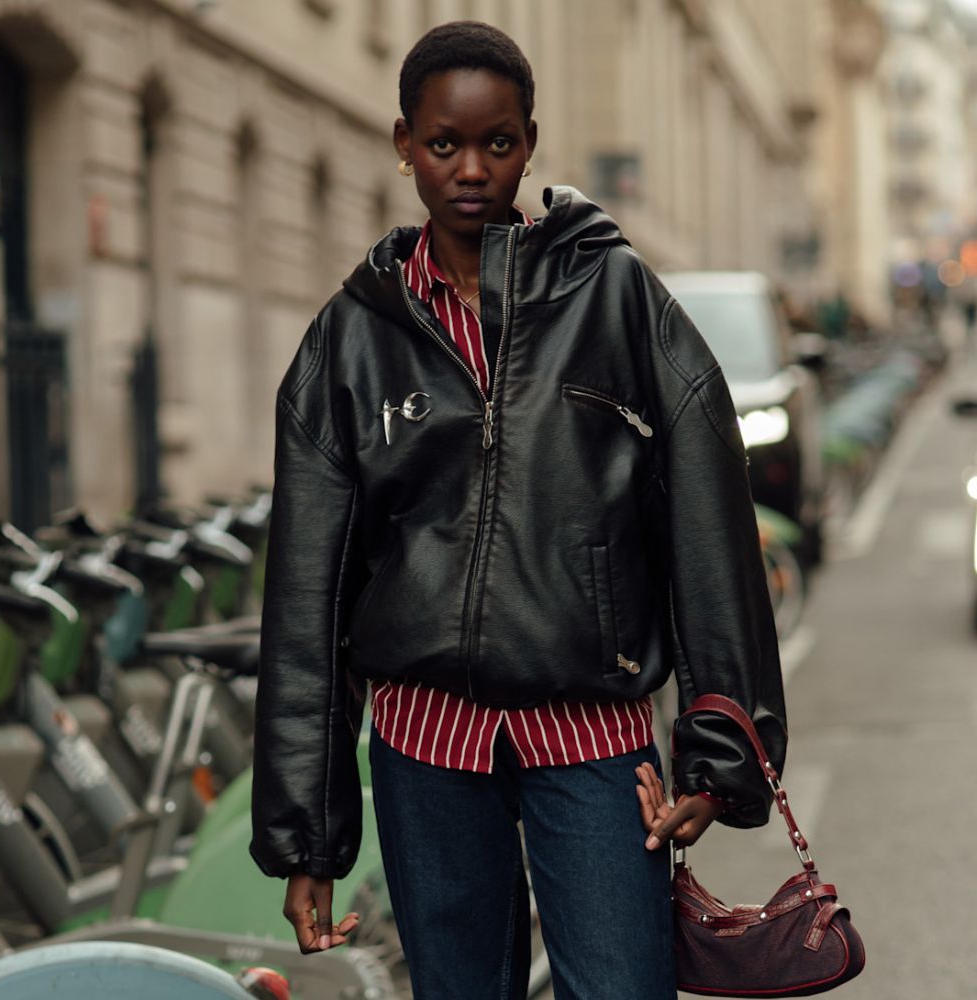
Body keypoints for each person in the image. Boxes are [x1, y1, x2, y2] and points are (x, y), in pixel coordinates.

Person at [250, 20, 786, 1000]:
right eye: (443, 143)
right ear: (403, 143)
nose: (469, 169)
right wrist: (306, 835)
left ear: (528, 142)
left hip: (592, 736)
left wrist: (719, 749)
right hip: (423, 742)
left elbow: (707, 516)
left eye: (495, 143)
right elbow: (307, 591)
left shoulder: (613, 295)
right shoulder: (350, 338)